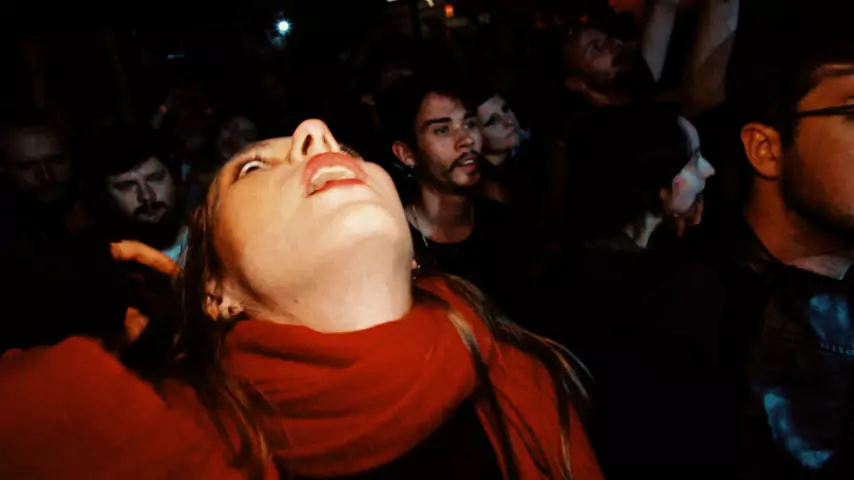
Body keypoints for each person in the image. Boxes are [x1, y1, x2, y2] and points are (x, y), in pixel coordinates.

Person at [179, 119, 602, 479]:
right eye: (252, 168)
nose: (317, 133)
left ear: (413, 254)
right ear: (216, 290)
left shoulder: (525, 378)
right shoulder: (182, 443)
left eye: (347, 151)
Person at [539, 103, 714, 477]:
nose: (708, 170)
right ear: (655, 179)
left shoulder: (570, 264)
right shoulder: (655, 289)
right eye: (693, 160)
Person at [377, 74, 527, 316]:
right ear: (407, 154)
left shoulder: (506, 226)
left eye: (470, 123)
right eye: (442, 130)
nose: (466, 139)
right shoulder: (395, 247)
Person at [85, 124, 188, 263]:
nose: (146, 196)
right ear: (106, 196)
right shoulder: (94, 262)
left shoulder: (210, 242)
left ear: (175, 178)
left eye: (156, 179)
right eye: (126, 186)